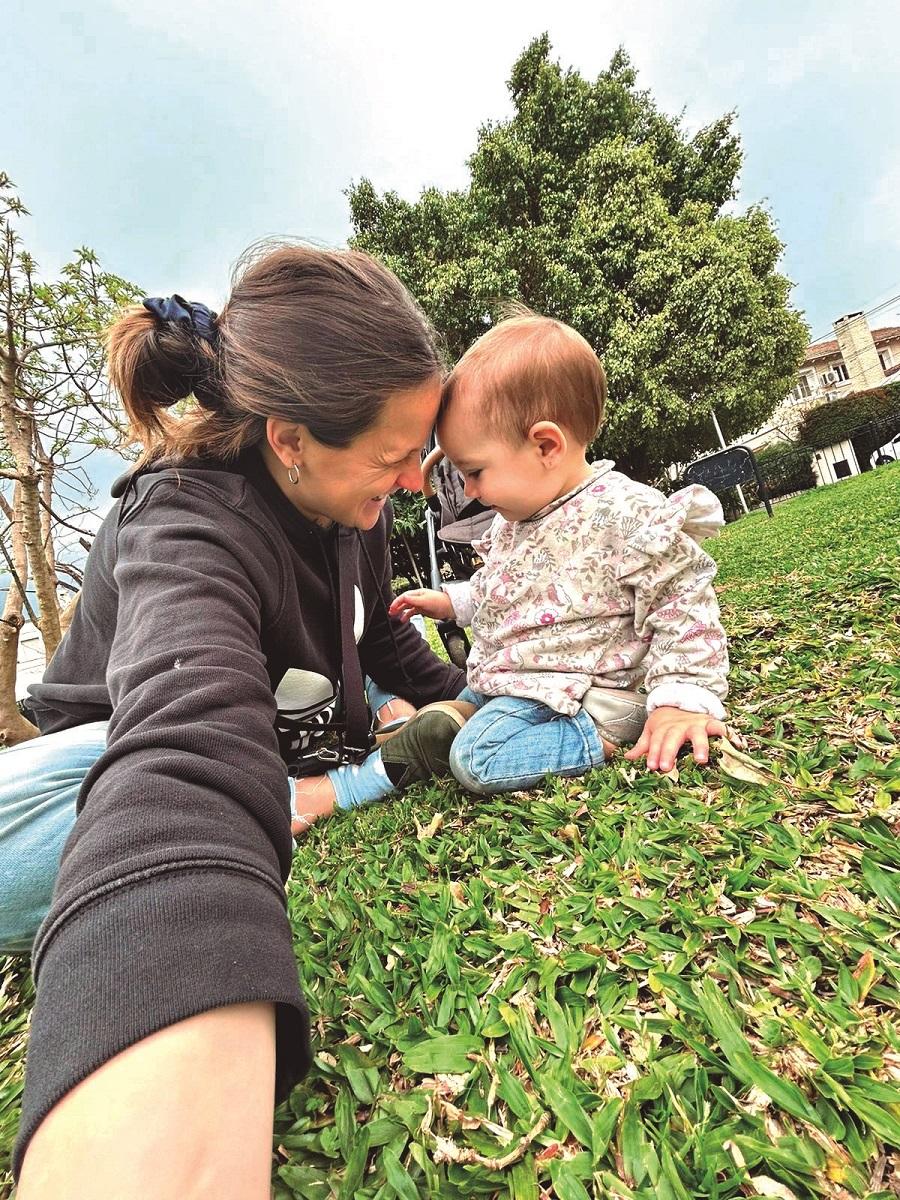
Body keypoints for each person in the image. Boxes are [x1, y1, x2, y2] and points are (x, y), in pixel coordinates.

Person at [5, 243, 470, 1197]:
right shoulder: (181, 520)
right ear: (289, 438)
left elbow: (376, 639)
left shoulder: (357, 510)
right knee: (208, 768)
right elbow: (183, 747)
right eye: (392, 459)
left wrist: (468, 694)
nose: (416, 483)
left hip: (253, 749)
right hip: (83, 782)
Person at [389, 308, 731, 794]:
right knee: (469, 703)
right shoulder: (515, 520)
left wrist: (682, 699)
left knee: (476, 759)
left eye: (476, 472)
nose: (467, 489)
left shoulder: (623, 513)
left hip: (575, 684)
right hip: (520, 678)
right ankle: (464, 716)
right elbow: (504, 587)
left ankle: (606, 730)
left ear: (546, 446)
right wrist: (452, 602)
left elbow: (682, 605)